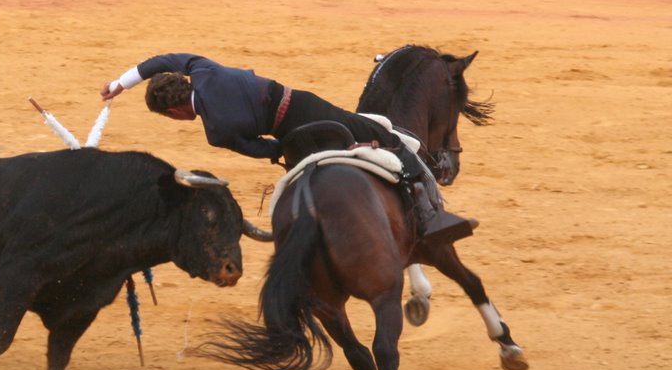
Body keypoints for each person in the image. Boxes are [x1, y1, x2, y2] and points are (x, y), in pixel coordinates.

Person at [100, 52, 476, 245]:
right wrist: (122, 82)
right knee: (387, 137)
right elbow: (165, 59)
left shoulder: (216, 131)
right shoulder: (202, 69)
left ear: (175, 111)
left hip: (293, 140)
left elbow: (262, 150)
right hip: (304, 106)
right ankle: (430, 214)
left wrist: (284, 151)